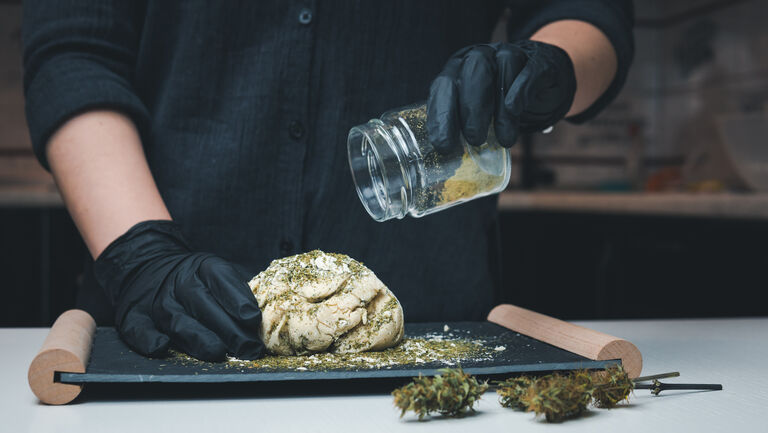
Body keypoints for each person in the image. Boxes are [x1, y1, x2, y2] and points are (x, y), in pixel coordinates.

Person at [22, 1, 634, 361]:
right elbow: (75, 52)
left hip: (429, 324)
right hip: (165, 319)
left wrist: (549, 68)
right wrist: (141, 253)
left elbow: (588, 11)